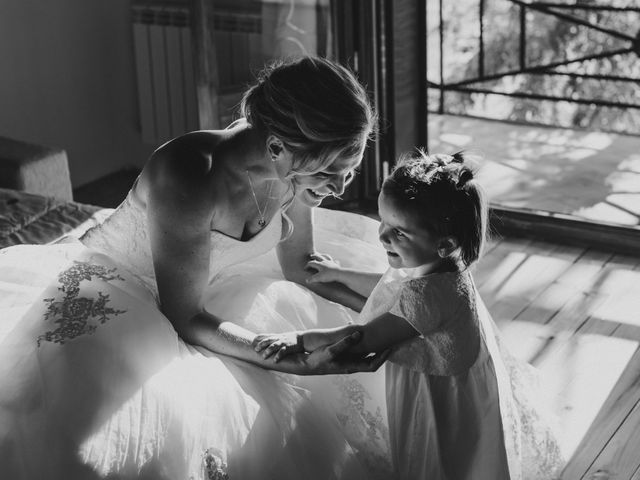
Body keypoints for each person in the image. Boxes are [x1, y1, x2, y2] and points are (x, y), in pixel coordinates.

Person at [0, 56, 392, 479]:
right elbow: (184, 316)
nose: (339, 189)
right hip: (122, 293)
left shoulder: (293, 167)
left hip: (209, 288)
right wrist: (288, 354)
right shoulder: (189, 175)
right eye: (330, 173)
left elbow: (300, 266)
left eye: (349, 173)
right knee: (88, 442)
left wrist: (389, 308)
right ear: (277, 146)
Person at [254, 151, 566, 479]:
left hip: (441, 405)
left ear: (444, 244)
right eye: (384, 222)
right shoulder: (442, 267)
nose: (383, 236)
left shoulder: (429, 297)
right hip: (460, 386)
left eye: (399, 232)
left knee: (440, 465)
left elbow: (361, 339)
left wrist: (297, 340)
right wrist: (341, 274)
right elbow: (395, 288)